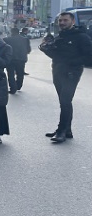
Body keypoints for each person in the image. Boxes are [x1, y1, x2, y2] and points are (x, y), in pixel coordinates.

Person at [39, 12, 92, 143]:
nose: (62, 23)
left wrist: (71, 62)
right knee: (64, 102)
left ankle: (61, 130)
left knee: (65, 101)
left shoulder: (82, 37)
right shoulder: (60, 36)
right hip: (57, 71)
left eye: (65, 20)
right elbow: (56, 56)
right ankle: (67, 130)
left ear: (73, 21)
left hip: (72, 72)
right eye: (60, 21)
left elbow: (89, 56)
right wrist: (45, 48)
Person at [4, 27, 31, 93]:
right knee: (20, 73)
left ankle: (13, 88)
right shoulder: (25, 39)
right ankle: (18, 86)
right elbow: (28, 49)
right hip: (21, 59)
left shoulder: (6, 40)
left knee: (10, 74)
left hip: (11, 59)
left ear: (11, 32)